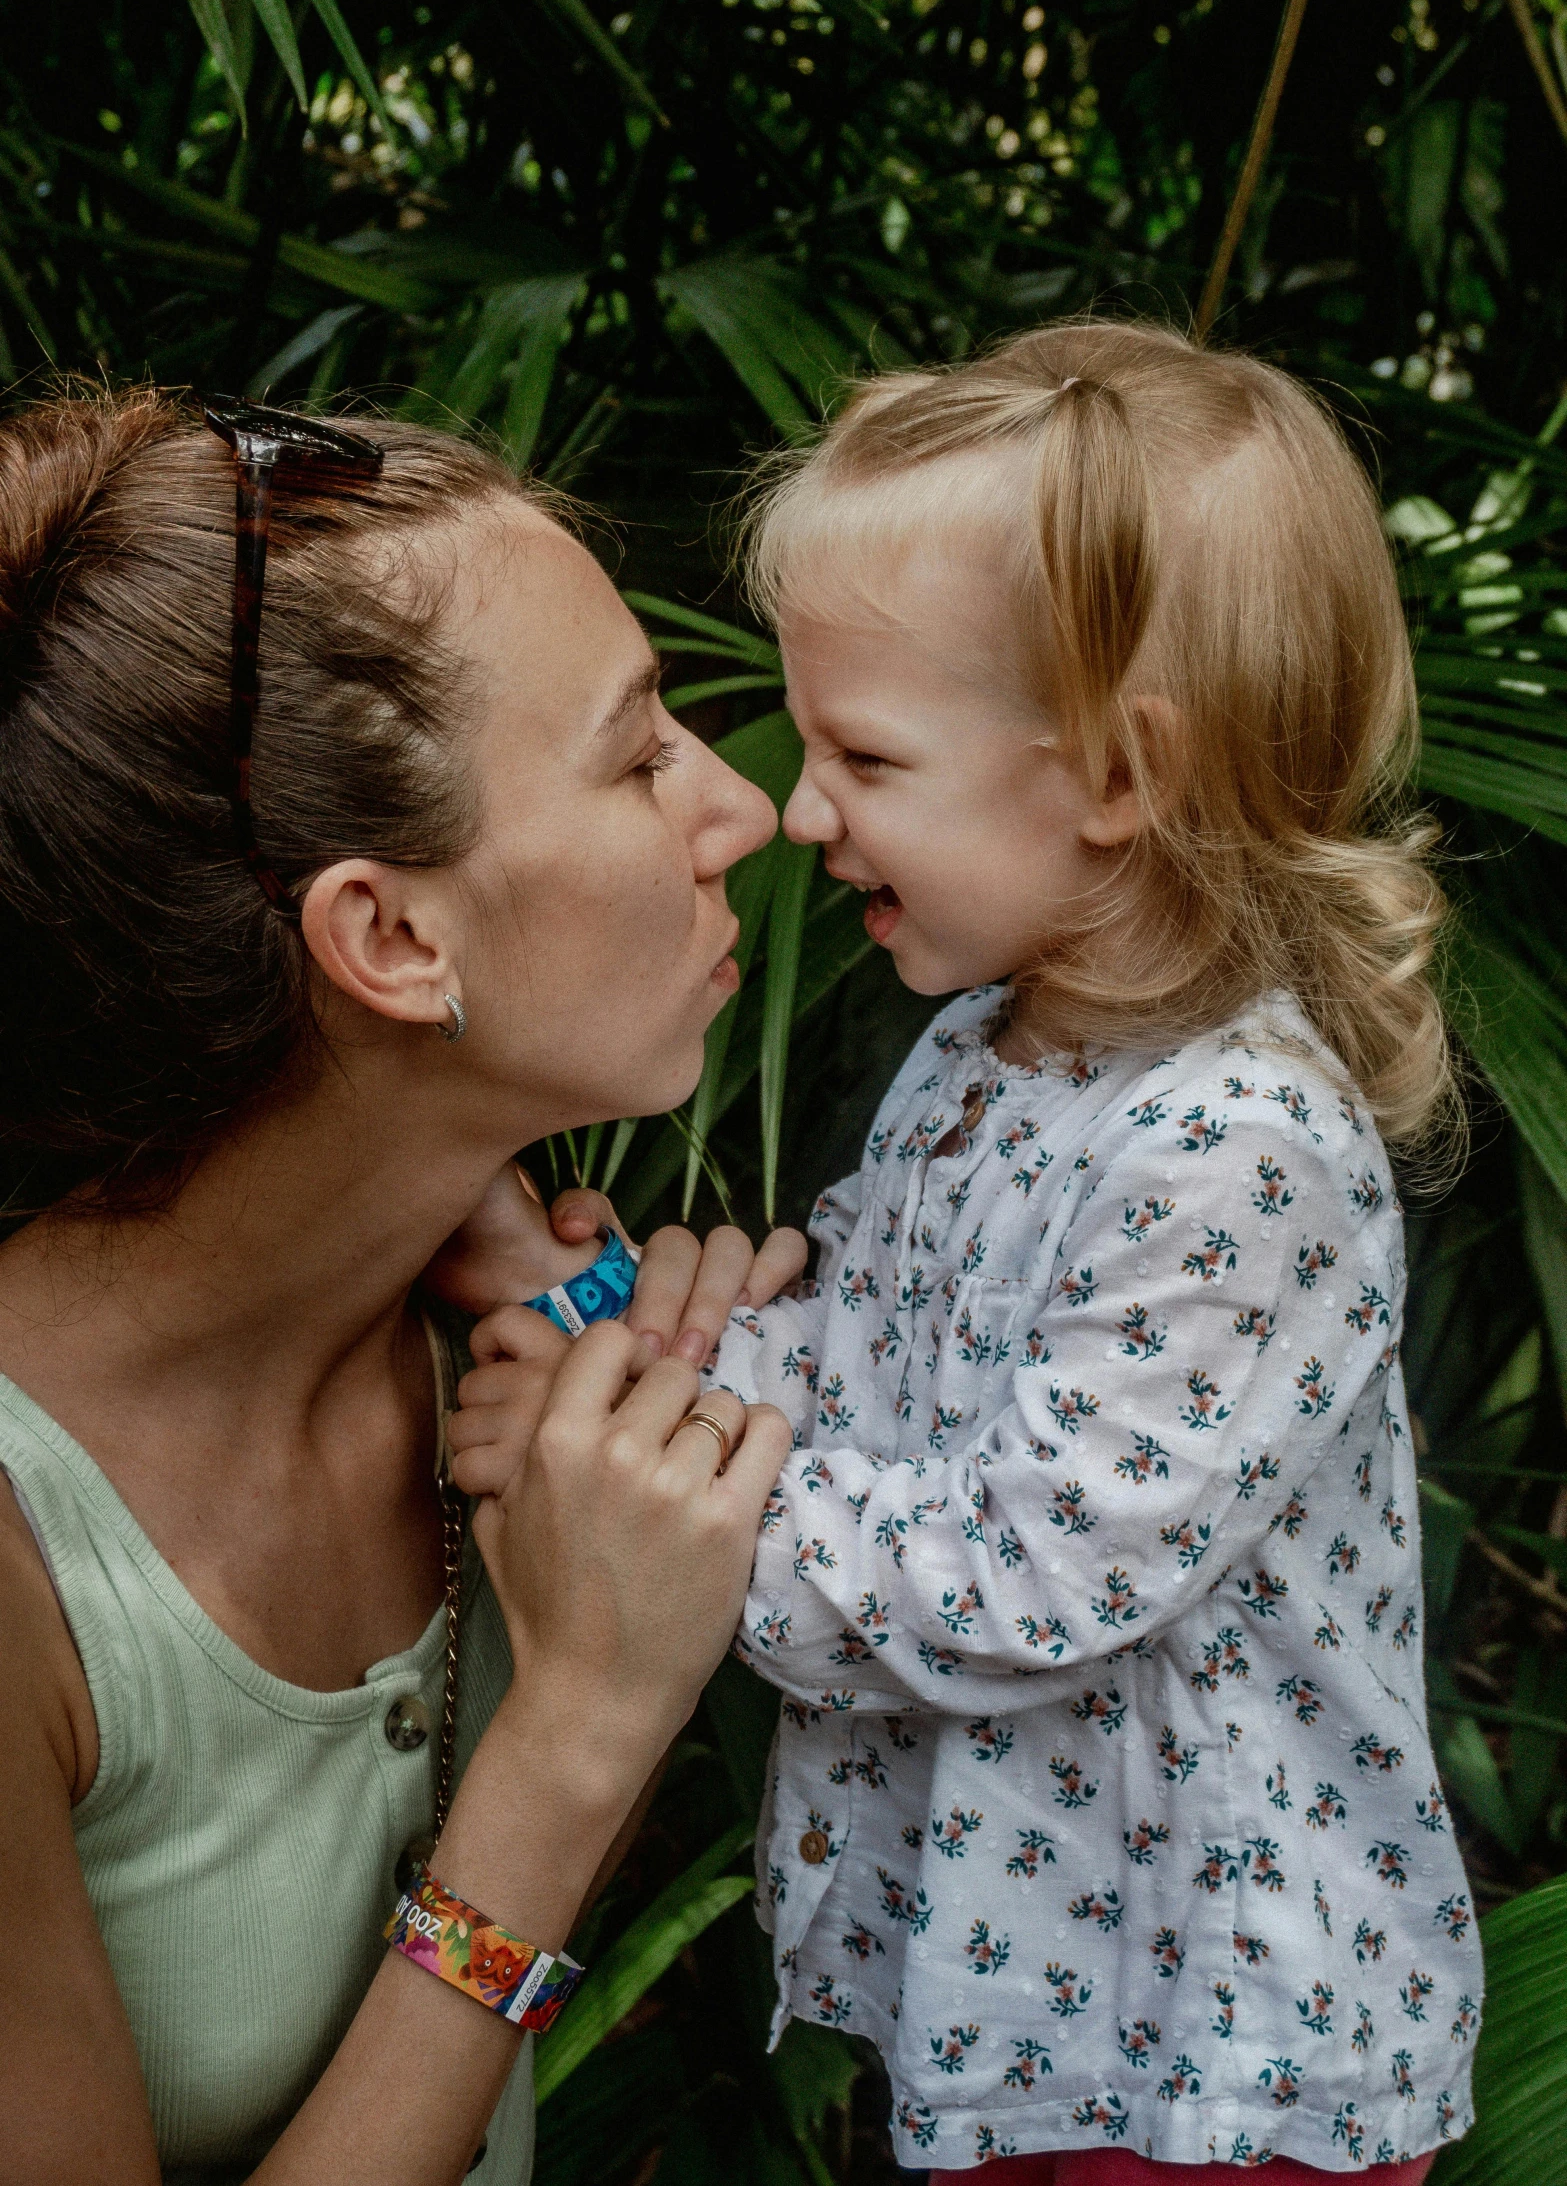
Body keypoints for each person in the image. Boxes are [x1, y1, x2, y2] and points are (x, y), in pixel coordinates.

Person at [448, 320, 1483, 2181]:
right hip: (1036, 1997)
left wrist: (626, 1496)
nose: (798, 805)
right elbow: (870, 1370)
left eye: (862, 750)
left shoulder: (1238, 1149)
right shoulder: (991, 1046)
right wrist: (605, 1339)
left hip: (1200, 2066)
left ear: (1116, 777)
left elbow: (1008, 1578)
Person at [0, 383, 803, 2186]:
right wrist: (578, 1735)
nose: (741, 808)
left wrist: (660, 1365)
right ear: (389, 936)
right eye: (640, 752)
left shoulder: (489, 1324)